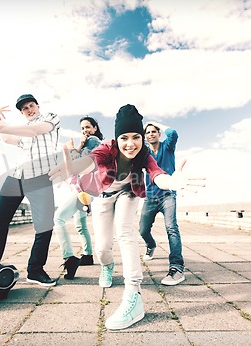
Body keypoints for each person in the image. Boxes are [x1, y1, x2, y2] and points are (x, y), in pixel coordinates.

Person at [49, 104, 198, 330]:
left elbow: (157, 175)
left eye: (136, 137)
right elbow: (90, 160)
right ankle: (107, 266)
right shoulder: (106, 149)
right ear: (117, 138)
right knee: (102, 247)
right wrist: (72, 167)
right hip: (104, 195)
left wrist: (172, 182)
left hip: (129, 193)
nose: (130, 144)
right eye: (124, 138)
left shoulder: (144, 154)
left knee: (125, 233)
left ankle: (133, 295)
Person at [0, 93, 60, 287]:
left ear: (38, 105)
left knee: (43, 226)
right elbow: (6, 138)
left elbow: (35, 131)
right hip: (16, 177)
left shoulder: (50, 118)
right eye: (25, 109)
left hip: (39, 177)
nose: (29, 110)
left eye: (32, 106)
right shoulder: (22, 130)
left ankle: (35, 270)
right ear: (22, 113)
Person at [54, 116, 104, 279]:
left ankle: (69, 258)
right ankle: (87, 255)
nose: (85, 131)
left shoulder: (93, 140)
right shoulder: (91, 142)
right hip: (83, 188)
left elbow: (83, 163)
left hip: (85, 188)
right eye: (82, 128)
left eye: (88, 127)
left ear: (95, 128)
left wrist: (77, 148)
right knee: (80, 224)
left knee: (59, 219)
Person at [139, 121, 185, 286]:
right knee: (143, 230)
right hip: (150, 197)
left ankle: (177, 267)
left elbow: (173, 133)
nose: (151, 134)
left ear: (158, 134)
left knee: (171, 228)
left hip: (168, 195)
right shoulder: (145, 153)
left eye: (153, 131)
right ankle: (150, 246)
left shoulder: (167, 147)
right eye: (148, 132)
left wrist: (154, 122)